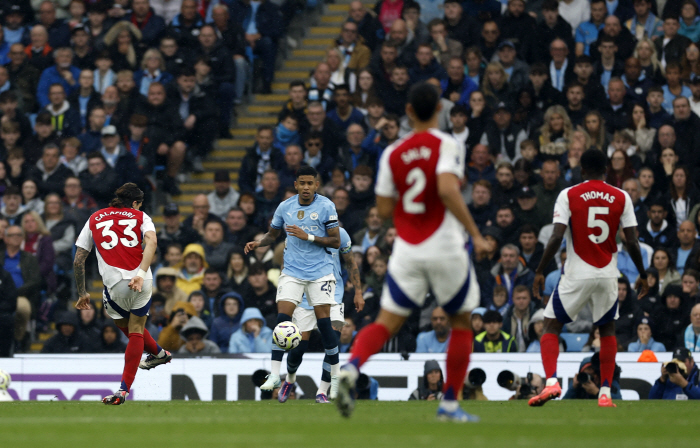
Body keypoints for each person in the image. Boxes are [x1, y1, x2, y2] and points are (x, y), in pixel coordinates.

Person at [334, 82, 490, 422]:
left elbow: (385, 209)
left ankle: (352, 366)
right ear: (439, 110)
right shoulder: (448, 143)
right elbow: (448, 189)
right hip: (446, 245)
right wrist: (476, 234)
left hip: (407, 248)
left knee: (386, 322)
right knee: (462, 322)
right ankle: (449, 404)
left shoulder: (393, 153)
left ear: (407, 112)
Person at [530, 149, 649, 408]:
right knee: (607, 330)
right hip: (608, 274)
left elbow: (556, 236)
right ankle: (605, 391)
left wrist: (539, 270)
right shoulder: (621, 196)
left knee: (551, 326)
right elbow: (631, 240)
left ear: (581, 170)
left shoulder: (568, 194)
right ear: (606, 169)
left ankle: (551, 382)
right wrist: (642, 273)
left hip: (577, 272)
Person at [244, 165, 342, 402]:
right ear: (296, 185)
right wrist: (259, 243)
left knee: (326, 326)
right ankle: (275, 375)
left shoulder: (327, 206)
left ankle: (335, 379)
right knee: (282, 321)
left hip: (320, 274)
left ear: (316, 185)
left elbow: (336, 241)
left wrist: (306, 236)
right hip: (292, 272)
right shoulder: (285, 206)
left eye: (311, 183)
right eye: (302, 183)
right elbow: (273, 234)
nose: (306, 187)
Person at [73, 183, 172, 405]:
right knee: (136, 330)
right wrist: (140, 272)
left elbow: (79, 259)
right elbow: (152, 242)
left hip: (115, 284)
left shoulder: (95, 218)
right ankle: (158, 356)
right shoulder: (141, 216)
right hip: (143, 279)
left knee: (128, 329)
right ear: (135, 203)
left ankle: (124, 389)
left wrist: (82, 292)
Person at [281, 227, 364, 402]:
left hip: (332, 294)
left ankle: (322, 391)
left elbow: (350, 262)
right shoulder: (300, 231)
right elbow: (286, 263)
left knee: (332, 341)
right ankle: (289, 379)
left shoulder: (340, 233)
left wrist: (358, 291)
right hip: (305, 296)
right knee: (299, 348)